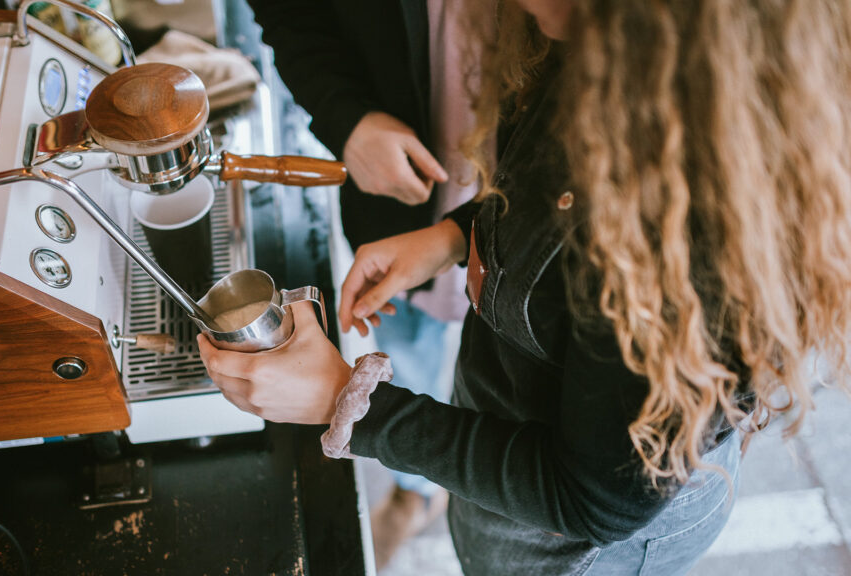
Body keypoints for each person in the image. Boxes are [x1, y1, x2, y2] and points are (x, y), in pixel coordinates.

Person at [199, 0, 851, 574]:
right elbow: (547, 196)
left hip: (574, 543)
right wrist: (456, 236)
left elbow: (594, 497)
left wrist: (343, 399)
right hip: (515, 464)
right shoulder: (592, 52)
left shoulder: (686, 232)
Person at [244, 0, 490, 566]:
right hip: (401, 199)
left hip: (524, 201)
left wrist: (347, 405)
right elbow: (290, 13)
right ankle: (416, 492)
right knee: (408, 346)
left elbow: (581, 490)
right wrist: (347, 118)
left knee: (503, 383)